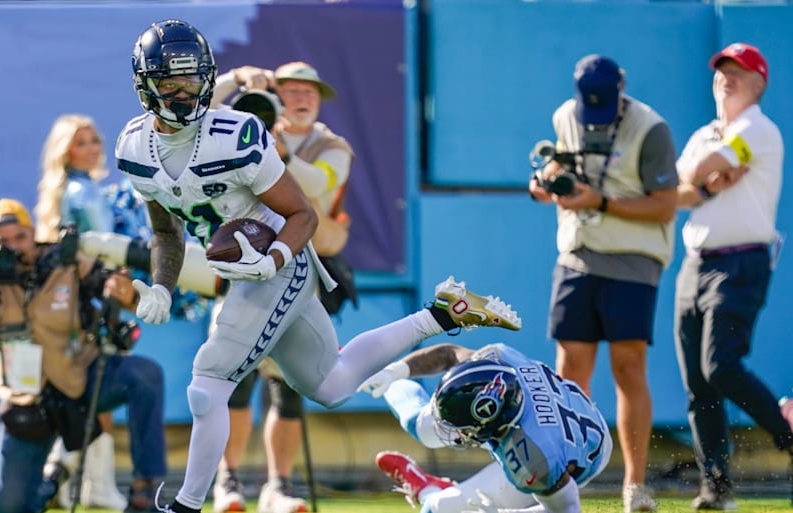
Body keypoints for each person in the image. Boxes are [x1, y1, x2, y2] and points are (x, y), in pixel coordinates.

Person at [116, 19, 523, 513]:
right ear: (144, 85)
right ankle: (441, 314)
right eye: (169, 83)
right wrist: (162, 285)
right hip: (242, 271)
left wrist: (273, 260)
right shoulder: (135, 148)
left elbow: (302, 213)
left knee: (210, 378)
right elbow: (165, 233)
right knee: (330, 385)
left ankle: (187, 504)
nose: (183, 93)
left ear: (208, 78)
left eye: (192, 81)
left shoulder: (236, 134)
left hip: (281, 263)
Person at [526, 54, 679, 512]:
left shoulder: (652, 129)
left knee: (628, 367)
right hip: (576, 254)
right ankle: (567, 480)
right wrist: (546, 184)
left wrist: (602, 202)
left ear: (623, 88)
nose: (596, 114)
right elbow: (558, 171)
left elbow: (665, 206)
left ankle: (634, 485)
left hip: (634, 259)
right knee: (569, 372)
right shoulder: (564, 117)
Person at [0, 199, 168, 513]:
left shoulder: (65, 259)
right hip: (28, 401)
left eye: (19, 237)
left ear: (32, 232)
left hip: (82, 377)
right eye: (3, 242)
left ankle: (146, 487)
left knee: (146, 375)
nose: (15, 247)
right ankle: (50, 484)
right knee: (8, 507)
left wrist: (124, 291)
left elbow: (120, 291)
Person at [207, 62, 355, 513]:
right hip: (245, 263)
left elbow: (317, 187)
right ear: (277, 95)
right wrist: (237, 81)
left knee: (290, 384)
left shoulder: (333, 146)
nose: (301, 98)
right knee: (234, 376)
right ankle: (227, 481)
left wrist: (274, 149)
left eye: (310, 91)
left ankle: (279, 486)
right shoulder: (244, 128)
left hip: (304, 270)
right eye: (289, 90)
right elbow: (200, 112)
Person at [673, 42, 793, 510]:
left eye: (738, 71)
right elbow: (679, 182)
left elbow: (696, 173)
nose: (726, 77)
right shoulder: (708, 132)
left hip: (740, 262)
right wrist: (706, 179)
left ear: (759, 83)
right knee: (697, 383)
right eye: (721, 70)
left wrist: (702, 178)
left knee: (721, 366)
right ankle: (716, 489)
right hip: (695, 262)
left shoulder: (758, 129)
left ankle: (787, 434)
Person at [357, 342, 612, 513]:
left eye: (465, 429)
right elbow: (450, 354)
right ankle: (373, 373)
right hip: (557, 419)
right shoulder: (500, 362)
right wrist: (395, 371)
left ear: (494, 425)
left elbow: (567, 509)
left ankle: (428, 491)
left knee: (438, 510)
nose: (457, 433)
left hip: (579, 459)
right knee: (423, 426)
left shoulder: (534, 458)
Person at [33, 113, 128, 511]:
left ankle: (69, 478)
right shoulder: (82, 193)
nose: (92, 149)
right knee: (98, 394)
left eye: (94, 141)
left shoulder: (70, 191)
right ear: (65, 151)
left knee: (87, 392)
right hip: (94, 301)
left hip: (75, 304)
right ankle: (76, 478)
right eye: (81, 142)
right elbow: (101, 250)